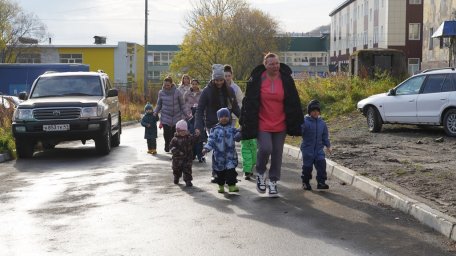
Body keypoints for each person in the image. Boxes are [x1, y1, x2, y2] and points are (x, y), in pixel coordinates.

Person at [239, 52, 304, 197]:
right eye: (271, 64)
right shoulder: (257, 79)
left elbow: (294, 102)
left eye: (277, 63)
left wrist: (297, 124)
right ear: (265, 65)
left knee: (277, 154)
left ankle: (273, 182)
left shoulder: (286, 79)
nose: (275, 66)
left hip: (280, 123)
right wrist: (244, 122)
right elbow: (248, 102)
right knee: (266, 148)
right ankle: (260, 172)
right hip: (262, 122)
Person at [195, 64, 241, 183]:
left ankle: (228, 173)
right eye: (217, 80)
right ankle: (216, 173)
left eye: (221, 80)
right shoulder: (207, 91)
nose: (219, 82)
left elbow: (235, 108)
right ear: (213, 79)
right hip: (213, 125)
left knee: (229, 149)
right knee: (217, 148)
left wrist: (245, 119)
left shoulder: (229, 90)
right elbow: (199, 110)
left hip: (227, 124)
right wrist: (198, 126)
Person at [202, 108, 241, 193]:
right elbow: (211, 140)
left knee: (231, 172)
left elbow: (239, 134)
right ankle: (221, 186)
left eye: (226, 116)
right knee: (220, 173)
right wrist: (206, 148)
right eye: (222, 116)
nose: (224, 118)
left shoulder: (232, 129)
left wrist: (240, 132)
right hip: (219, 157)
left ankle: (232, 186)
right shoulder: (215, 130)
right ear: (218, 118)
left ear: (229, 118)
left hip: (230, 155)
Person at [301, 99, 332, 190]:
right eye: (313, 111)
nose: (315, 113)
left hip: (319, 149)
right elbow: (300, 131)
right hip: (307, 149)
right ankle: (305, 182)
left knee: (322, 164)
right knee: (307, 167)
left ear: (319, 112)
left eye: (317, 111)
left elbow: (325, 136)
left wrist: (328, 146)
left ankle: (321, 182)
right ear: (309, 112)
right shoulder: (305, 122)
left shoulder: (322, 123)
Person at [154, 76, 189, 153]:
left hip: (176, 116)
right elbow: (159, 104)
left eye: (168, 85)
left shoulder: (177, 92)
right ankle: (167, 144)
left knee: (174, 133)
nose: (166, 87)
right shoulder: (161, 93)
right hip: (165, 116)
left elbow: (182, 104)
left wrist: (187, 114)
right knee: (166, 133)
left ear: (171, 84)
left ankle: (173, 146)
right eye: (165, 85)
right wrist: (155, 112)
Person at [169, 119, 199, 187]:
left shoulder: (189, 137)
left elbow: (194, 140)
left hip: (187, 158)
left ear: (186, 130)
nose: (182, 132)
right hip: (177, 159)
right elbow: (172, 147)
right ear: (177, 131)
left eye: (184, 131)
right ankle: (176, 177)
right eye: (180, 131)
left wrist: (197, 136)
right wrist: (178, 152)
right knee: (176, 169)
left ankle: (188, 180)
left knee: (187, 170)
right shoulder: (175, 139)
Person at [183, 79, 205, 162]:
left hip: (199, 117)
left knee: (199, 137)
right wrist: (186, 114)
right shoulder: (187, 93)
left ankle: (200, 155)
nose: (194, 85)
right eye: (193, 84)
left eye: (196, 84)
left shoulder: (202, 93)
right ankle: (192, 154)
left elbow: (205, 104)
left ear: (198, 85)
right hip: (189, 117)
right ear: (191, 85)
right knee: (191, 136)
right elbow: (183, 104)